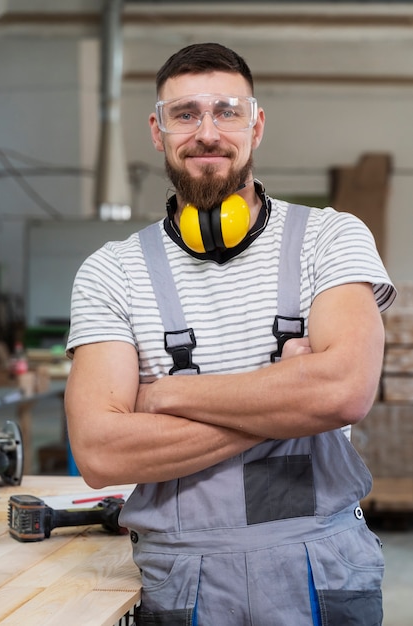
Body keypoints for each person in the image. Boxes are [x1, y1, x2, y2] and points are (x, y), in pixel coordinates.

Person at [65, 42, 396, 626]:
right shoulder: (110, 270)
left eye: (227, 110)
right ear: (157, 129)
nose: (208, 132)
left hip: (323, 568)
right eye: (186, 113)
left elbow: (342, 393)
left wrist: (167, 396)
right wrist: (287, 389)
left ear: (257, 124)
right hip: (182, 580)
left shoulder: (331, 237)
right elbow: (99, 451)